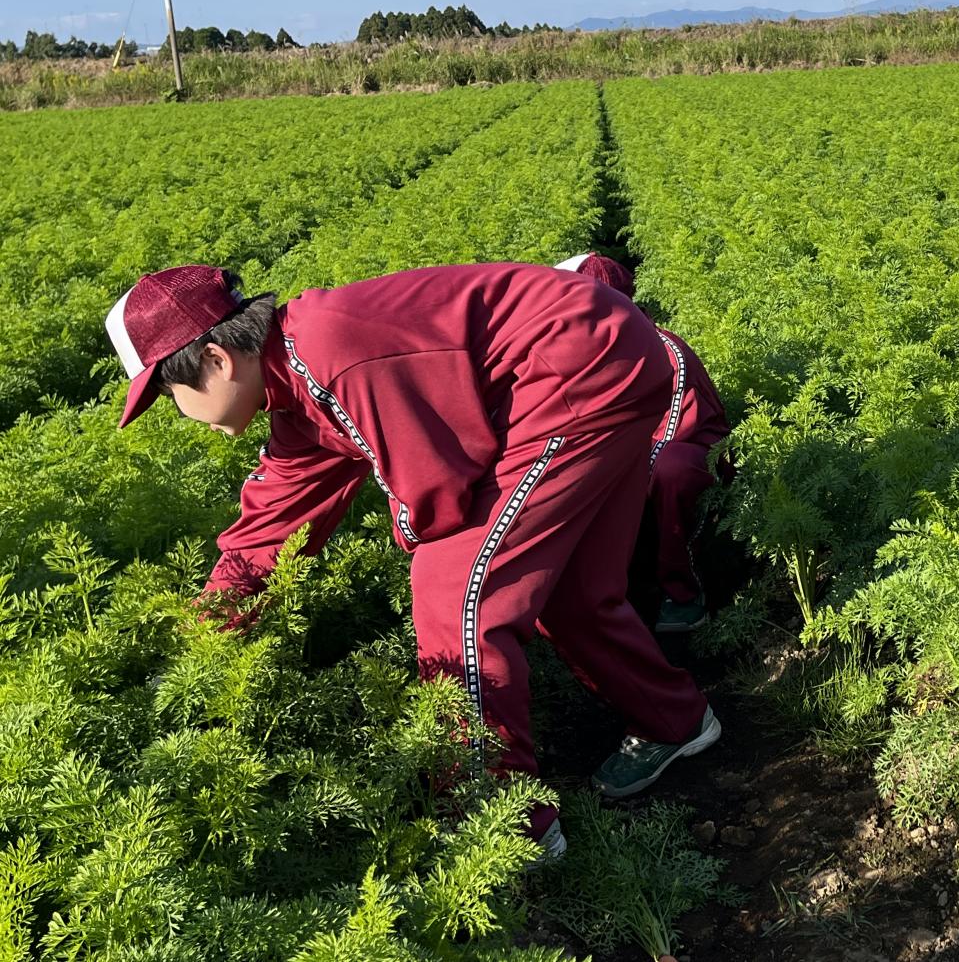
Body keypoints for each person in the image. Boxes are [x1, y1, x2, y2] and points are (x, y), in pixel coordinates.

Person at [105, 262, 724, 862]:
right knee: (569, 589)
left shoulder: (328, 355)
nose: (180, 411)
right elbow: (274, 518)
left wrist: (419, 534)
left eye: (170, 392)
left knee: (457, 602)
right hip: (603, 353)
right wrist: (210, 624)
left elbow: (435, 489)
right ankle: (676, 720)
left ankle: (500, 828)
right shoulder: (295, 381)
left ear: (216, 359)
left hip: (571, 372)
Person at [556, 252, 733, 634]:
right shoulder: (578, 358)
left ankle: (684, 592)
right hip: (629, 465)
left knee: (673, 468)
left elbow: (673, 431)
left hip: (689, 457)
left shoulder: (663, 349)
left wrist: (609, 471)